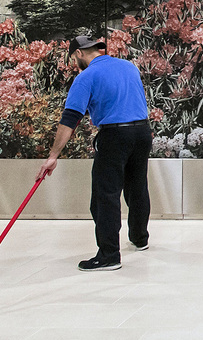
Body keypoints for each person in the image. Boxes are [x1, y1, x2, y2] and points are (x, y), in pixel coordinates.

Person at [37, 35, 152, 271]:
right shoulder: (128, 67)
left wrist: (53, 156)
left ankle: (109, 255)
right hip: (142, 132)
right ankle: (140, 239)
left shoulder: (86, 76)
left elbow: (70, 119)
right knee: (137, 186)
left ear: (78, 53)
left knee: (105, 196)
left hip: (114, 136)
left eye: (71, 58)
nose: (73, 63)